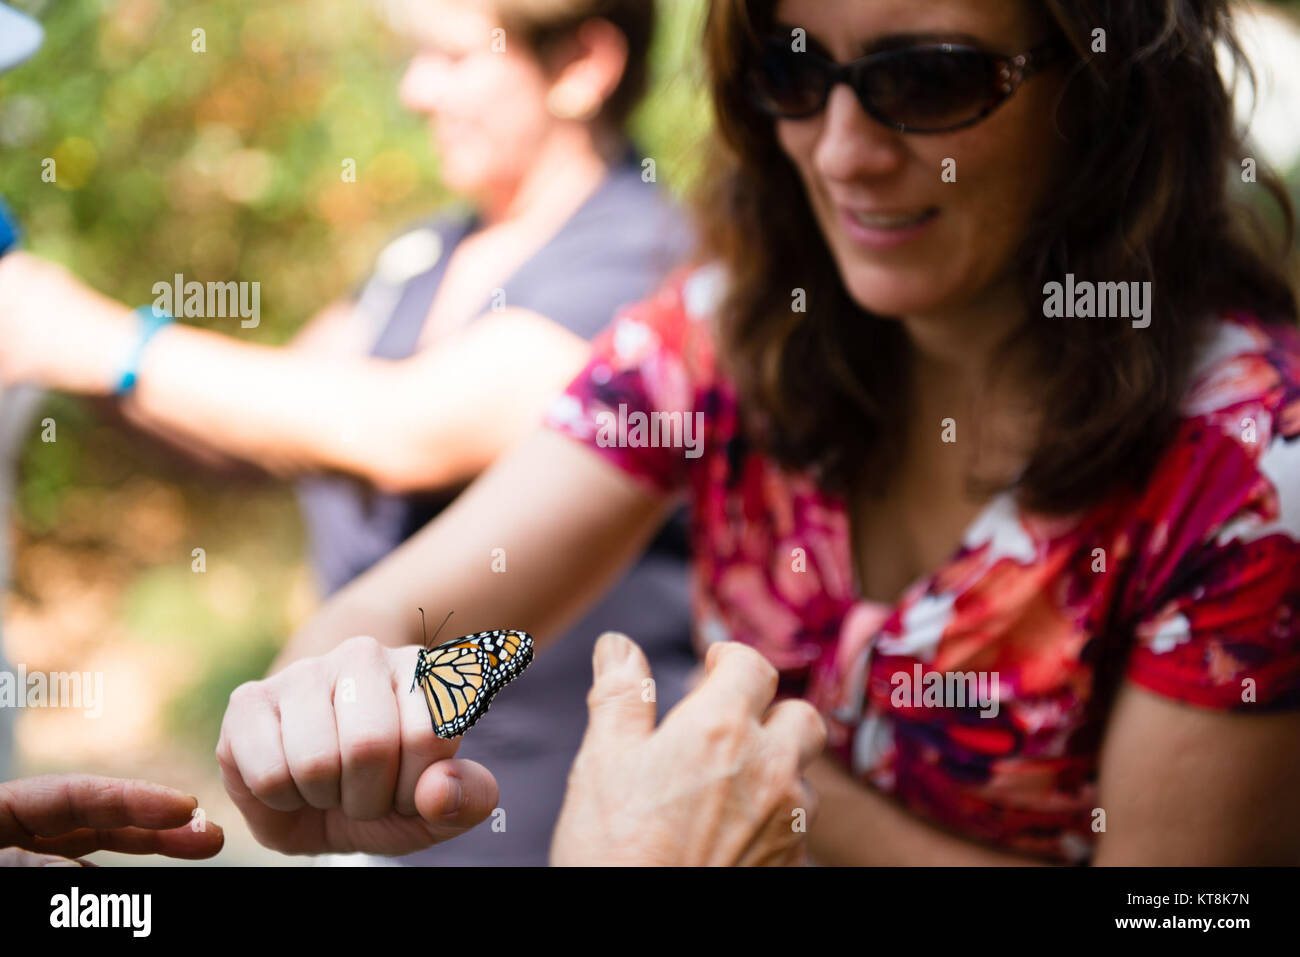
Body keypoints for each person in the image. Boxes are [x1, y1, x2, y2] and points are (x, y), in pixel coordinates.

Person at [218, 0, 1300, 865]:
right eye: (791, 70)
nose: (840, 152)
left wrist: (780, 796)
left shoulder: (1250, 465)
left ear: (1106, 86)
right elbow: (396, 612)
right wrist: (322, 711)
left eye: (925, 81)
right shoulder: (716, 338)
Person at [0, 0, 697, 864]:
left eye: (448, 59)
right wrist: (62, 348)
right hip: (360, 811)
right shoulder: (424, 252)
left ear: (583, 66)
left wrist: (93, 335)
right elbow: (256, 425)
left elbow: (402, 427)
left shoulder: (647, 258)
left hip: (545, 824)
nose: (414, 89)